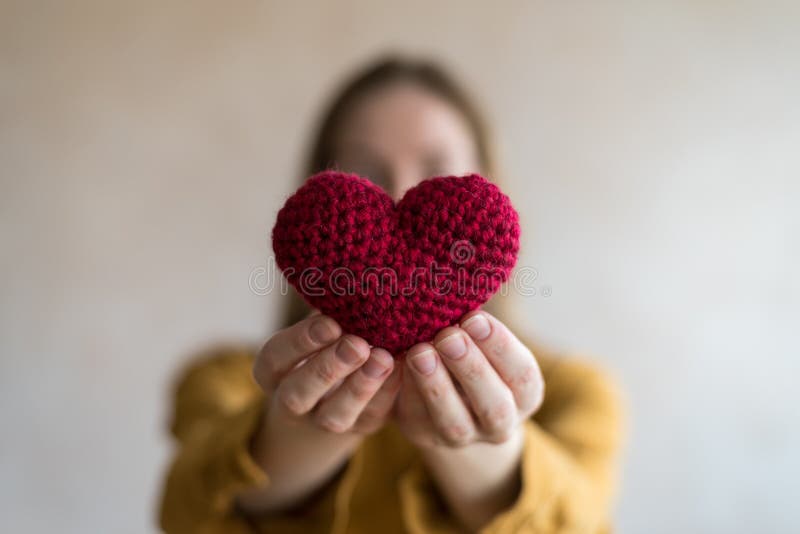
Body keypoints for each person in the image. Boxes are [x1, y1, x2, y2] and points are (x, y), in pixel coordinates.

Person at [158, 55, 624, 534]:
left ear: (488, 185)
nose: (401, 193)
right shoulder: (223, 382)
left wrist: (496, 461)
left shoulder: (575, 394)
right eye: (365, 169)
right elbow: (182, 511)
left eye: (437, 168)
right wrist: (282, 445)